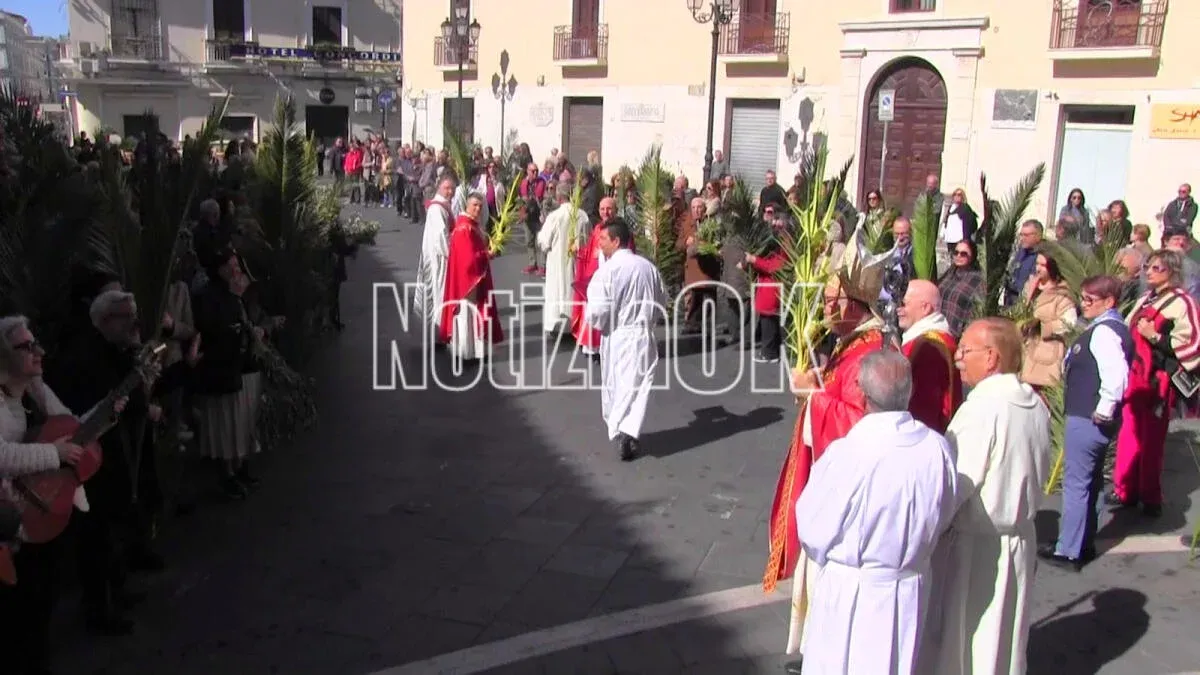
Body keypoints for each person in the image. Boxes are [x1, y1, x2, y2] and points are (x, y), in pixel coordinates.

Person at [763, 228, 889, 662]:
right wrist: (816, 385)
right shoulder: (854, 342)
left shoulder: (871, 352)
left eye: (833, 300)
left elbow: (859, 424)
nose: (826, 308)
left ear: (854, 306)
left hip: (847, 495)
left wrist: (811, 397)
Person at [795, 350, 957, 675]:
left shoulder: (848, 453)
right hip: (909, 588)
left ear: (863, 394)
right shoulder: (938, 447)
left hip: (852, 593)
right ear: (909, 391)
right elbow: (945, 512)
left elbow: (812, 530)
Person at [920, 317, 1052, 675]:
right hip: (1019, 541)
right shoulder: (1036, 405)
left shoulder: (983, 408)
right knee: (1004, 638)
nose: (959, 359)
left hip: (976, 548)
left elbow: (956, 483)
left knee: (968, 642)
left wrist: (926, 528)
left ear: (992, 357)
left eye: (965, 351)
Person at [1041, 275, 1132, 571]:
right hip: (1091, 415)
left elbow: (1116, 375)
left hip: (1088, 416)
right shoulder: (1108, 328)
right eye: (1083, 298)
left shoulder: (1105, 332)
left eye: (1091, 300)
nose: (1084, 304)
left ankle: (1068, 550)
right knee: (1090, 483)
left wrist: (1105, 408)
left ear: (1109, 301)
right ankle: (1084, 542)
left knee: (1077, 484)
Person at [1112, 249, 1200, 516]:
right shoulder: (1145, 298)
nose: (1148, 272)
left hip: (1157, 381)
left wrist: (1156, 338)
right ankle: (1126, 490)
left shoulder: (1182, 302)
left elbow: (1193, 344)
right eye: (1147, 267)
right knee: (1129, 434)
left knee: (1151, 440)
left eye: (1156, 268)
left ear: (1171, 272)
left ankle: (1151, 497)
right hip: (1135, 377)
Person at [584, 218, 666, 461]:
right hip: (644, 334)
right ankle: (628, 431)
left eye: (602, 240)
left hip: (620, 334)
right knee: (638, 386)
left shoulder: (607, 272)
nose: (599, 244)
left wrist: (597, 320)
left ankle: (623, 430)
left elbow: (597, 312)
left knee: (620, 384)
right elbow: (662, 300)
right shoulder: (648, 267)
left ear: (616, 240)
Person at [439, 193, 504, 361]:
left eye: (480, 206)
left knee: (473, 314)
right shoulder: (463, 229)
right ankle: (466, 351)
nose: (477, 209)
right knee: (468, 315)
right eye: (474, 205)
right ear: (466, 206)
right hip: (467, 282)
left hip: (475, 277)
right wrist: (486, 255)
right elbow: (467, 259)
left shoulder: (472, 225)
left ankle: (475, 350)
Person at [897, 280, 962, 433]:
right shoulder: (926, 339)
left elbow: (924, 406)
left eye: (904, 303)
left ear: (925, 308)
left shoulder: (930, 346)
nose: (898, 309)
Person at [538, 182, 589, 338]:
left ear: (558, 198)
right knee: (573, 290)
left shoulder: (554, 216)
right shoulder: (583, 215)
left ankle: (555, 325)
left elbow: (544, 242)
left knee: (557, 291)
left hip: (557, 263)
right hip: (576, 262)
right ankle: (576, 323)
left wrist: (541, 240)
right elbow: (588, 241)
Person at [571, 197, 616, 357]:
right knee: (594, 310)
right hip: (595, 277)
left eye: (609, 208)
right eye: (603, 209)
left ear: (615, 210)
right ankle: (592, 346)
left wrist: (605, 252)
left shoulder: (620, 229)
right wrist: (579, 251)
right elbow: (589, 251)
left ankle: (606, 347)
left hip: (612, 279)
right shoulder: (597, 228)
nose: (606, 212)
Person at [416, 177, 455, 343]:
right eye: (446, 188)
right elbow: (441, 236)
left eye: (452, 188)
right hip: (439, 258)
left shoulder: (443, 206)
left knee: (440, 294)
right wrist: (452, 254)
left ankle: (441, 332)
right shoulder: (437, 208)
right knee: (439, 294)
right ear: (439, 187)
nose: (450, 191)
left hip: (439, 256)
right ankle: (439, 334)